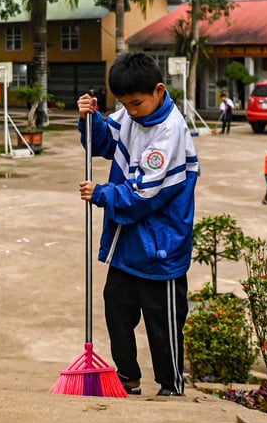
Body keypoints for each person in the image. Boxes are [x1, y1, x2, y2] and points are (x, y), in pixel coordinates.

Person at [76, 52, 198, 397]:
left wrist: (102, 194)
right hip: (129, 242)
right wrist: (91, 119)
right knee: (116, 305)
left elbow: (144, 194)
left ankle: (171, 385)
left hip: (162, 248)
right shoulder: (132, 116)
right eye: (124, 105)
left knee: (163, 324)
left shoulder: (170, 131)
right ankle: (127, 376)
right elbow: (104, 142)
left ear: (159, 91)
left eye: (136, 103)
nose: (130, 110)